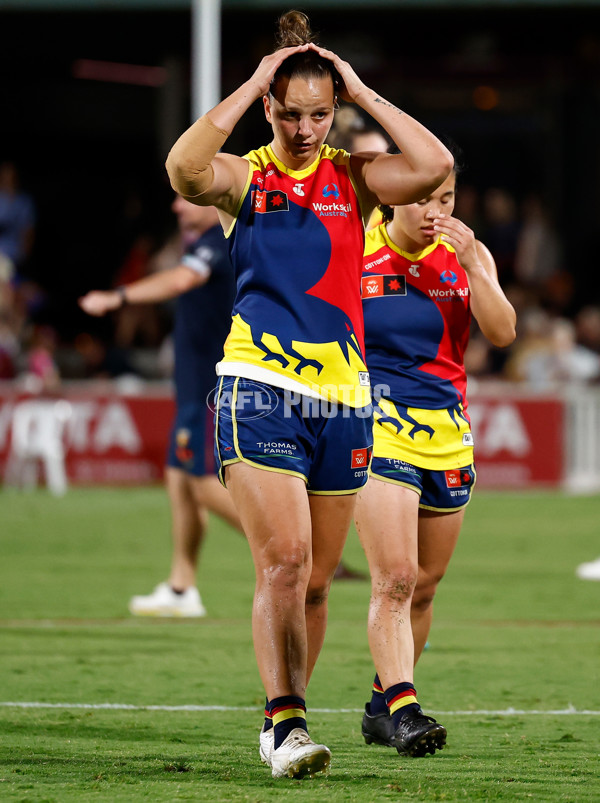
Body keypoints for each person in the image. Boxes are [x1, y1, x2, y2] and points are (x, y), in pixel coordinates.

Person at [165, 9, 453, 779]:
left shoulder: (354, 175)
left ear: (335, 111)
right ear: (269, 107)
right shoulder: (249, 175)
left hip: (343, 399)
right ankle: (282, 723)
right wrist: (252, 81)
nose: (303, 128)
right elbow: (184, 169)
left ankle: (290, 712)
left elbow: (431, 164)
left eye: (319, 113)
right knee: (285, 562)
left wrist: (362, 91)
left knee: (317, 581)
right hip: (258, 387)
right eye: (289, 113)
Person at [356, 154, 516, 756]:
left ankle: (379, 705)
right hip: (377, 428)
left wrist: (476, 262)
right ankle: (405, 710)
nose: (435, 211)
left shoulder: (463, 255)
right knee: (394, 577)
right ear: (396, 194)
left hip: (448, 433)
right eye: (424, 197)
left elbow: (502, 332)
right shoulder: (356, 249)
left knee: (424, 588)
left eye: (446, 199)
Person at [79, 197, 242, 616]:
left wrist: (118, 297)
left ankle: (290, 550)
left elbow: (179, 281)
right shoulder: (205, 241)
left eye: (187, 199)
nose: (175, 206)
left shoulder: (220, 241)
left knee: (202, 481)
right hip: (192, 386)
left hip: (210, 387)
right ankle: (181, 587)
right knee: (179, 480)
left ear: (214, 202)